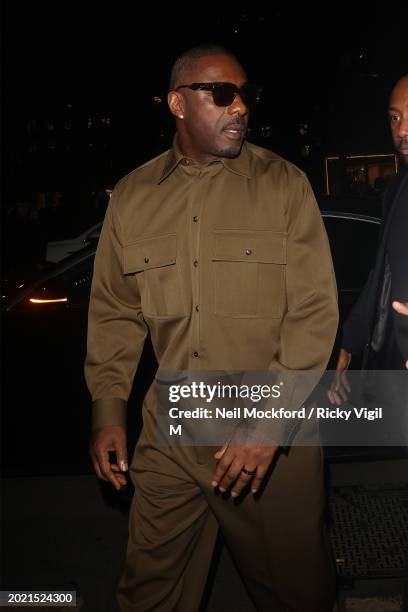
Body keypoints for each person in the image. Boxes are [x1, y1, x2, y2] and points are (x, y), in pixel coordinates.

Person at [85, 45, 339, 612]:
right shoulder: (131, 197)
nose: (240, 107)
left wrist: (267, 426)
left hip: (269, 439)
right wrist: (108, 411)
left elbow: (315, 310)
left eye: (245, 94)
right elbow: (114, 312)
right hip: (172, 430)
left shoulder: (282, 184)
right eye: (222, 94)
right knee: (147, 593)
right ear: (178, 103)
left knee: (297, 594)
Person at [329, 74, 408, 405]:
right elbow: (382, 270)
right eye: (395, 117)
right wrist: (348, 340)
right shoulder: (396, 190)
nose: (402, 129)